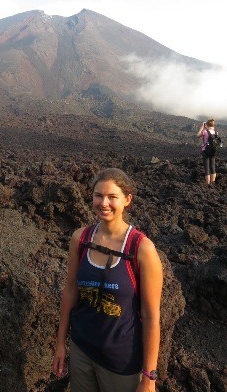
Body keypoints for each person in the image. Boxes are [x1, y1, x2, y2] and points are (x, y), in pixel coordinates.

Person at [52, 168, 163, 392]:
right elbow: (71, 291)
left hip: (121, 361)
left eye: (112, 197)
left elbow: (151, 316)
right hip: (81, 350)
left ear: (127, 200)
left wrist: (149, 377)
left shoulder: (141, 248)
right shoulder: (80, 238)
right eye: (98, 195)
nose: (104, 203)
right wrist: (60, 344)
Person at [196, 119, 219, 185]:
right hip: (213, 151)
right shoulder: (216, 132)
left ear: (207, 124)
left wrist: (202, 128)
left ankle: (208, 184)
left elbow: (197, 135)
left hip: (206, 151)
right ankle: (212, 183)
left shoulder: (205, 132)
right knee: (212, 168)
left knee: (207, 169)